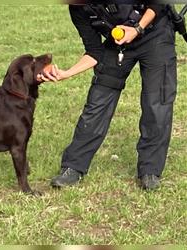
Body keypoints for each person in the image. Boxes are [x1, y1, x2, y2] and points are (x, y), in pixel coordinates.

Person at [38, 4, 177, 190]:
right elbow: (94, 51)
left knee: (157, 102)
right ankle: (73, 167)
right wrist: (67, 73)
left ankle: (150, 170)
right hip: (119, 43)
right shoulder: (77, 9)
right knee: (98, 101)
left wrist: (137, 28)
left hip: (155, 33)